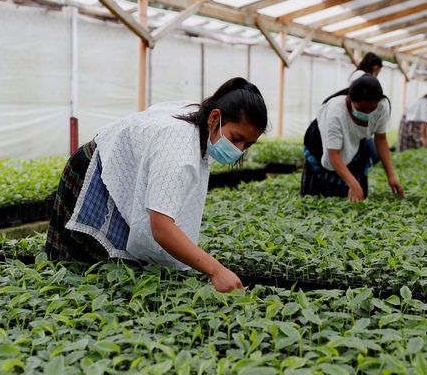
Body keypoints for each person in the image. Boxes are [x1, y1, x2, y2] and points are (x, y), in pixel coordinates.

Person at [45, 77, 268, 293]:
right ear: (214, 118)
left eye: (247, 144)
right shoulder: (177, 148)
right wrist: (216, 270)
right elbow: (161, 228)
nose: (239, 149)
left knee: (116, 272)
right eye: (236, 138)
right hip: (95, 171)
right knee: (79, 270)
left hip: (117, 168)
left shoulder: (198, 123)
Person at [301, 75, 404, 202]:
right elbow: (333, 154)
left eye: (372, 109)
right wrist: (352, 183)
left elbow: (381, 139)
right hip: (320, 143)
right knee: (315, 197)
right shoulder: (337, 113)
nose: (367, 114)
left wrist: (391, 176)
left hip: (354, 143)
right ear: (350, 99)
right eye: (362, 109)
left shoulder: (382, 107)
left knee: (356, 192)